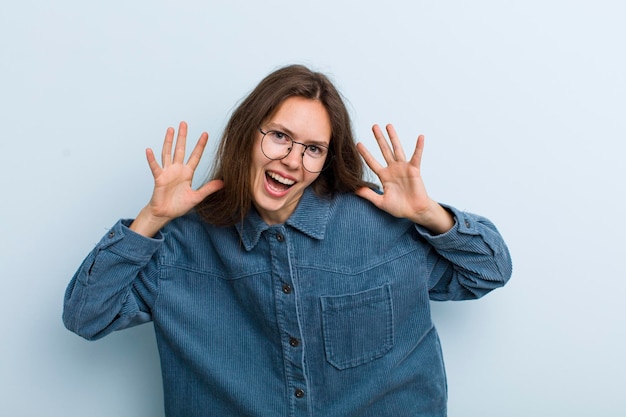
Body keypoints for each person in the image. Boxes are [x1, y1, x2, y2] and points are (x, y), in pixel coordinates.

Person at [63, 64, 512, 417]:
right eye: (280, 137)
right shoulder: (180, 242)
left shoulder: (382, 225)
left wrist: (429, 214)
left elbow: (489, 271)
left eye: (313, 149)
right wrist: (151, 219)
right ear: (246, 135)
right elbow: (86, 316)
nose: (292, 161)